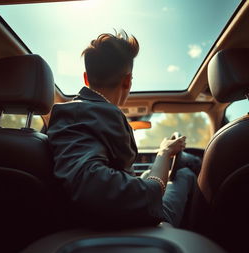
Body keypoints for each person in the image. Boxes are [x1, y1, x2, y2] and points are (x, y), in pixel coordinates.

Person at [47, 31, 197, 228]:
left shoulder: (75, 115)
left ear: (86, 78)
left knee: (149, 175)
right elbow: (91, 186)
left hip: (109, 219)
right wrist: (164, 153)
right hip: (122, 225)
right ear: (128, 80)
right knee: (185, 174)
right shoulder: (93, 114)